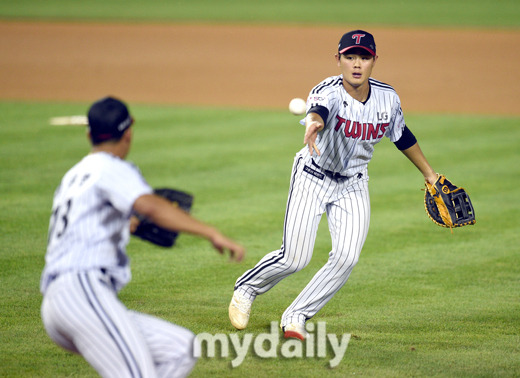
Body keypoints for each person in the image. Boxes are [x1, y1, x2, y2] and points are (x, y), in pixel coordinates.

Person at [228, 30, 438, 340]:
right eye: (350, 56)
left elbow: (402, 136)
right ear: (337, 59)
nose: (357, 64)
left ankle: (296, 315)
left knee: (347, 257)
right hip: (312, 176)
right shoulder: (326, 90)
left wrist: (430, 174)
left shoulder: (388, 98)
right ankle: (247, 288)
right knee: (294, 257)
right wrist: (314, 122)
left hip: (353, 183)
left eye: (364, 57)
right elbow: (319, 111)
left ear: (374, 61)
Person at [41, 96, 245, 377]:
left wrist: (128, 223)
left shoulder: (74, 175)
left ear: (90, 134)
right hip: (82, 290)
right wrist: (211, 232)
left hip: (62, 301)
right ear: (128, 133)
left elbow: (88, 225)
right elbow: (150, 205)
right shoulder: (110, 167)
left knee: (180, 349)